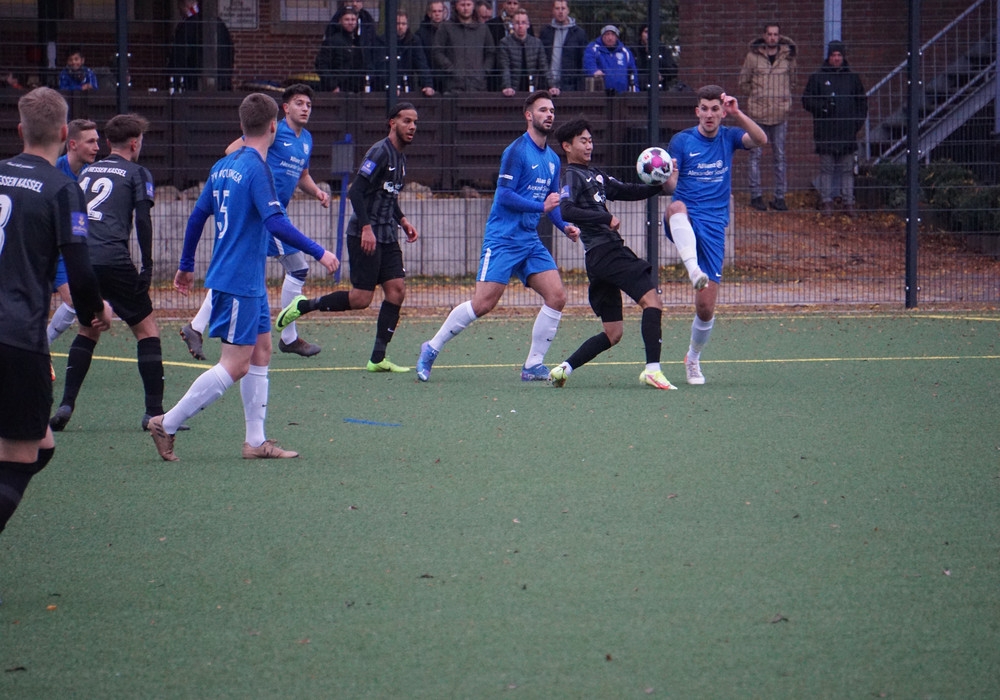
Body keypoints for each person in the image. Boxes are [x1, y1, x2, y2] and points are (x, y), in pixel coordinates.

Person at [148, 93, 340, 462]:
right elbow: (275, 222)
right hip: (238, 281)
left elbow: (197, 215)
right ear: (273, 125)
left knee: (262, 352)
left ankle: (255, 442)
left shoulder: (223, 165)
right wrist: (320, 251)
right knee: (235, 364)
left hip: (244, 278)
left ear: (241, 125)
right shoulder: (257, 168)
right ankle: (166, 423)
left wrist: (186, 264)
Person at [0, 88, 110, 543]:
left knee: (41, 446)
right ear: (66, 134)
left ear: (20, 130)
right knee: (23, 457)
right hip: (16, 337)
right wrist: (94, 312)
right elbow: (80, 270)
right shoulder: (63, 189)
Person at [415, 91, 580, 382]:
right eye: (542, 110)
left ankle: (533, 366)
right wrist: (541, 207)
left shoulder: (553, 159)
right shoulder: (516, 151)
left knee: (557, 297)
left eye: (552, 110)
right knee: (483, 304)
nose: (549, 115)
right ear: (528, 115)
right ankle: (431, 347)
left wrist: (564, 225)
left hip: (529, 240)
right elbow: (504, 195)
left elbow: (551, 202)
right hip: (503, 239)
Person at [180, 84, 330, 362]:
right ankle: (289, 338)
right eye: (299, 103)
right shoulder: (274, 132)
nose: (305, 108)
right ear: (285, 109)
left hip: (274, 214)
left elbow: (302, 175)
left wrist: (317, 191)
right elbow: (233, 150)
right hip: (265, 215)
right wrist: (245, 183)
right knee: (298, 268)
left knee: (236, 271)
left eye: (309, 104)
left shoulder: (306, 139)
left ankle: (196, 326)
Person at [275, 103, 420, 374]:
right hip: (364, 235)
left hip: (387, 235)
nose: (411, 127)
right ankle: (303, 305)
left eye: (414, 122)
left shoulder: (401, 157)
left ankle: (377, 359)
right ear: (392, 123)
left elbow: (388, 195)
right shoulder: (379, 152)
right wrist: (366, 228)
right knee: (361, 299)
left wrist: (402, 220)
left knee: (397, 291)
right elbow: (356, 192)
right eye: (406, 121)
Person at [48, 114, 171, 433]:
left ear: (107, 142)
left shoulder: (87, 171)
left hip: (81, 259)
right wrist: (147, 265)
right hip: (114, 259)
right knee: (147, 330)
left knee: (88, 330)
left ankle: (66, 404)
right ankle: (154, 414)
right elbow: (142, 220)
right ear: (135, 143)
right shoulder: (137, 172)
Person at [548, 118, 677, 390]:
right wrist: (605, 218)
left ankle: (564, 369)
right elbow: (566, 210)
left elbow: (629, 190)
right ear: (567, 146)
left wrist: (662, 182)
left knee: (613, 332)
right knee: (652, 301)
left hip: (598, 260)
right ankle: (653, 370)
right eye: (583, 141)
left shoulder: (596, 175)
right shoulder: (571, 176)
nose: (589, 145)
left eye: (590, 140)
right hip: (607, 251)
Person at [664, 85, 767, 385]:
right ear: (697, 111)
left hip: (713, 225)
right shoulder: (681, 140)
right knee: (675, 207)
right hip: (685, 217)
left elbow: (760, 139)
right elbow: (671, 187)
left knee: (706, 307)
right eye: (704, 109)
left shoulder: (729, 136)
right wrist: (664, 174)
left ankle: (693, 359)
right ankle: (693, 269)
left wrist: (738, 113)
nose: (709, 114)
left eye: (715, 109)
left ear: (722, 112)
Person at [48, 119, 101, 346]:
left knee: (73, 301)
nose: (97, 147)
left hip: (71, 250)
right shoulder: (53, 170)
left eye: (97, 141)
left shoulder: (92, 174)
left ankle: (42, 348)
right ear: (72, 144)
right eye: (90, 142)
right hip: (48, 247)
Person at [802, 40, 868, 218]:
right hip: (825, 132)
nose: (836, 58)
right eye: (833, 55)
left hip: (847, 132)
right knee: (827, 168)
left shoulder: (852, 78)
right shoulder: (817, 77)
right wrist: (823, 107)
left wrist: (856, 124)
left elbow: (862, 102)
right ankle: (826, 201)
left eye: (839, 55)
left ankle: (848, 202)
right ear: (828, 57)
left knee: (847, 169)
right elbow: (806, 100)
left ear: (843, 56)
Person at [738, 22, 796, 211]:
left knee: (780, 156)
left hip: (780, 113)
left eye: (775, 34)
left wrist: (784, 99)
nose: (772, 37)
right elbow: (744, 82)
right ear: (764, 36)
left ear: (779, 37)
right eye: (769, 34)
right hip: (758, 114)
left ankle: (780, 197)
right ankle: (756, 195)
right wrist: (757, 96)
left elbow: (792, 81)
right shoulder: (752, 57)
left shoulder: (788, 57)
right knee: (755, 155)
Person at [168, 0, 235, 91]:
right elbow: (230, 52)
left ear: (184, 5)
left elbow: (178, 59)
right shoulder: (220, 24)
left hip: (194, 87)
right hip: (222, 85)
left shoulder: (186, 26)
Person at [432, 0, 496, 93]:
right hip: (453, 86)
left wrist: (484, 71)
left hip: (478, 85)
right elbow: (437, 52)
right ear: (456, 6)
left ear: (473, 6)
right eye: (462, 5)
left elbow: (490, 53)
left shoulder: (483, 28)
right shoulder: (446, 27)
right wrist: (451, 69)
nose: (465, 8)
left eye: (468, 5)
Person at [499, 10, 557, 96]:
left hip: (532, 88)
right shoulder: (505, 43)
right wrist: (507, 86)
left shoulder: (536, 43)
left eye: (523, 23)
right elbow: (505, 67)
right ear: (513, 25)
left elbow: (544, 66)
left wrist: (552, 86)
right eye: (517, 23)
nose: (520, 26)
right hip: (513, 89)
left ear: (528, 25)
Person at [316, 7, 371, 93]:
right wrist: (332, 85)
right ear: (340, 21)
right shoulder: (332, 41)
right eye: (347, 19)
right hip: (339, 88)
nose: (350, 22)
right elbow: (321, 65)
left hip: (358, 89)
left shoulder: (359, 41)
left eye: (353, 19)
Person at [539, 0, 588, 92]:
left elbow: (581, 62)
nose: (560, 11)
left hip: (570, 86)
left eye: (563, 8)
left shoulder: (579, 33)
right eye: (557, 8)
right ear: (553, 11)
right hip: (547, 85)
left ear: (568, 10)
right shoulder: (546, 32)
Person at [385, 10, 436, 96]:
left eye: (403, 24)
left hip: (408, 86)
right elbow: (381, 67)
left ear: (407, 25)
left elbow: (421, 64)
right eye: (397, 24)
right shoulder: (383, 41)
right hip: (386, 88)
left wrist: (428, 85)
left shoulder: (414, 41)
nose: (400, 27)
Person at [583, 25, 638, 94]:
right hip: (600, 95)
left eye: (613, 34)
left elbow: (633, 72)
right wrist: (594, 71)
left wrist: (635, 92)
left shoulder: (625, 52)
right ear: (602, 36)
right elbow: (589, 64)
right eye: (607, 34)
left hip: (623, 95)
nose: (610, 38)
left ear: (617, 37)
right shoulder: (593, 49)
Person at [631, 25, 678, 91]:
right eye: (646, 32)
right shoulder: (634, 50)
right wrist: (649, 78)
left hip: (659, 90)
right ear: (641, 34)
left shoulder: (662, 49)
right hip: (639, 90)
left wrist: (656, 55)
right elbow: (630, 73)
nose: (649, 35)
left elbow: (672, 70)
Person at [416, 0, 448, 93]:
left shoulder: (450, 31)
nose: (437, 14)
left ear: (444, 12)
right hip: (430, 77)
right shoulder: (421, 33)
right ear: (429, 13)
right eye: (434, 11)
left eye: (439, 11)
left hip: (448, 78)